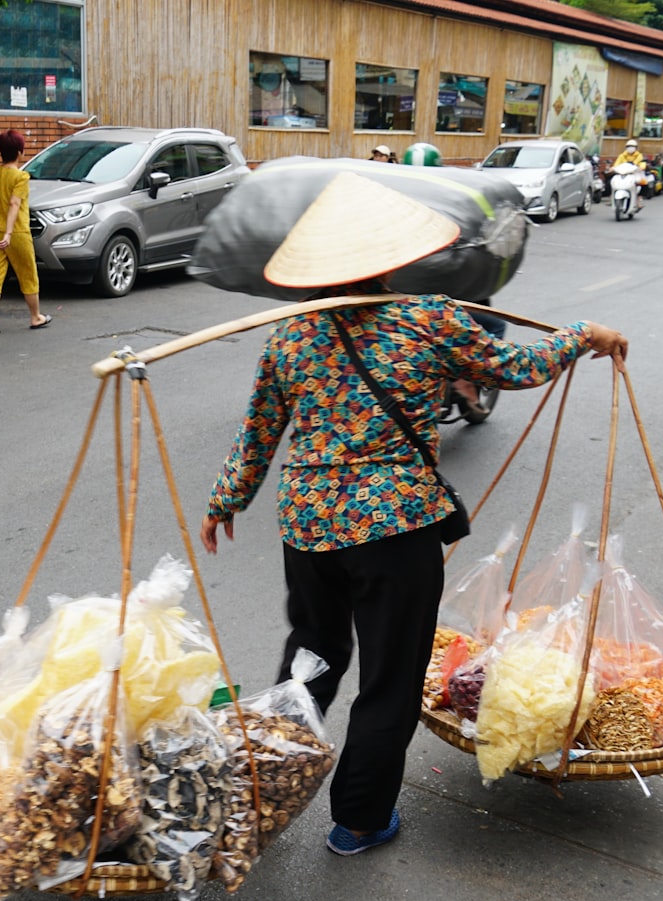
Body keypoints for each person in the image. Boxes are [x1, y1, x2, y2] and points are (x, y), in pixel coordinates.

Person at [199, 172, 627, 857]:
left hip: (309, 531)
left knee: (312, 657)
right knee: (390, 677)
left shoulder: (290, 337)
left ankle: (261, 787)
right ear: (389, 261)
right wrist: (583, 334)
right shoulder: (432, 319)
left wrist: (226, 500)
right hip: (395, 533)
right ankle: (360, 820)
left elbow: (258, 434)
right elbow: (515, 367)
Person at [0, 129, 52, 337]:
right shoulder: (21, 177)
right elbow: (15, 203)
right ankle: (35, 317)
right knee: (28, 275)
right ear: (19, 152)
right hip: (16, 234)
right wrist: (8, 233)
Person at [613, 139, 648, 210]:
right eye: (629, 146)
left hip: (635, 174)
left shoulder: (639, 155)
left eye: (632, 146)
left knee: (644, 182)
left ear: (636, 148)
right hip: (622, 174)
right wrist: (612, 168)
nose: (630, 148)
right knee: (611, 181)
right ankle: (611, 197)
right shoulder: (622, 156)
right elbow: (616, 164)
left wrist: (641, 167)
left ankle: (639, 200)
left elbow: (642, 163)